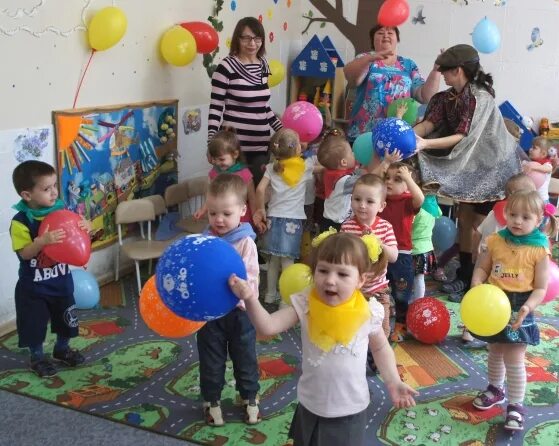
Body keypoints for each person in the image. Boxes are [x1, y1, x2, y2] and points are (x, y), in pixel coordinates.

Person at [228, 232, 418, 446]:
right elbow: (268, 326)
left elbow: (381, 348)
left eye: (342, 274)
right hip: (311, 405)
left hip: (350, 410)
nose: (330, 280)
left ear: (361, 279)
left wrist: (393, 382)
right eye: (323, 270)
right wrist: (250, 298)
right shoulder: (305, 304)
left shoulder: (369, 312)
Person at [415, 44, 522, 300]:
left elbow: (463, 136)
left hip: (494, 168)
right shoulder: (446, 98)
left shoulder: (479, 98)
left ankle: (475, 278)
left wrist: (425, 145)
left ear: (459, 70)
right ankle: (464, 274)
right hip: (470, 166)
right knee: (464, 221)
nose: (442, 75)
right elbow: (429, 124)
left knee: (477, 225)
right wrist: (407, 135)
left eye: (446, 70)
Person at [470, 190, 557, 432]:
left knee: (515, 357)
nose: (518, 221)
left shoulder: (540, 249)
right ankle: (495, 389)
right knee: (495, 349)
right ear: (505, 214)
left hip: (521, 306)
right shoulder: (496, 240)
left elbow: (540, 287)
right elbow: (482, 268)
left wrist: (529, 307)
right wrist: (477, 284)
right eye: (513, 214)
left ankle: (516, 406)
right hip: (493, 303)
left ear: (539, 219)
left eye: (526, 217)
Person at [10, 161, 89, 377]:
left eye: (55, 185)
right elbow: (24, 254)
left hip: (61, 282)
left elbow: (76, 237)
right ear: (27, 195)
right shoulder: (20, 222)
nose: (54, 192)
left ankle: (61, 350)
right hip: (33, 288)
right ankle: (37, 357)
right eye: (46, 189)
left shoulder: (61, 211)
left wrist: (85, 227)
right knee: (34, 326)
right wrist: (41, 241)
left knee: (67, 320)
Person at [197, 173, 261, 426]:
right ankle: (212, 401)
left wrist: (237, 286)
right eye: (213, 213)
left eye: (226, 213)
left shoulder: (246, 243)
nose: (219, 220)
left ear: (242, 210)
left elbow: (251, 281)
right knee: (211, 359)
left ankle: (249, 397)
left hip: (240, 313)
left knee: (245, 356)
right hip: (210, 314)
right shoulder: (204, 241)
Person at [459, 174, 537, 343]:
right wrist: (475, 252)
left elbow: (478, 233)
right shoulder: (500, 216)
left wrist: (475, 250)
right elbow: (479, 233)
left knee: (492, 302)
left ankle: (489, 331)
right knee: (480, 298)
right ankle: (473, 328)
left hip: (504, 273)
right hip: (493, 267)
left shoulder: (503, 216)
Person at [207, 16, 283, 184]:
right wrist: (211, 143)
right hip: (232, 148)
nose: (252, 43)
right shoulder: (225, 67)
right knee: (233, 198)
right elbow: (215, 108)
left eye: (257, 38)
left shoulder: (263, 65)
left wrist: (282, 131)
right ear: (237, 39)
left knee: (256, 194)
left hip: (261, 146)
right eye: (246, 38)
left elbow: (264, 107)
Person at [343, 24, 441, 142]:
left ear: (397, 39)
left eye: (390, 33)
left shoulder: (408, 64)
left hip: (397, 134)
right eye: (380, 33)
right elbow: (352, 79)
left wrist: (436, 70)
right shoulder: (365, 58)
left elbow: (424, 96)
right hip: (364, 134)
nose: (385, 35)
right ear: (372, 39)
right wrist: (371, 58)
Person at [253, 129, 317, 304]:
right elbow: (323, 167)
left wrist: (261, 209)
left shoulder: (270, 168)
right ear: (297, 149)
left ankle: (270, 294)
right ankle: (286, 299)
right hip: (292, 221)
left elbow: (259, 190)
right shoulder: (305, 167)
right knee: (288, 261)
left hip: (273, 218)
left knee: (274, 260)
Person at [341, 174, 398, 340]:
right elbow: (341, 256)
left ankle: (377, 361)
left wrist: (378, 242)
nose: (362, 205)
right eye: (357, 199)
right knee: (351, 329)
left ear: (381, 206)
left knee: (381, 330)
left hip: (378, 290)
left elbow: (394, 256)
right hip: (352, 289)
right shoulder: (347, 226)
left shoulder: (385, 227)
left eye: (370, 201)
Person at [317, 130, 399, 231]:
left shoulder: (334, 173)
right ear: (344, 162)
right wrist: (386, 162)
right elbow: (368, 177)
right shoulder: (344, 181)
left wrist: (374, 154)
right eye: (351, 153)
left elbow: (362, 172)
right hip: (335, 225)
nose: (354, 154)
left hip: (331, 221)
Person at [379, 162, 424, 342]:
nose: (389, 182)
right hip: (380, 252)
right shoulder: (380, 199)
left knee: (401, 293)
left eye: (397, 179)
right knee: (378, 290)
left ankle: (400, 324)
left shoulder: (407, 201)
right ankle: (380, 323)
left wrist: (408, 179)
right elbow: (370, 183)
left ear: (407, 185)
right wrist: (383, 165)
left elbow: (419, 198)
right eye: (387, 178)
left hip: (402, 254)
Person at [194, 129, 257, 224]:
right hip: (218, 220)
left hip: (241, 220)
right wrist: (203, 209)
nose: (218, 163)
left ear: (235, 154)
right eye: (214, 159)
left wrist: (256, 218)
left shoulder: (245, 174)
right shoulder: (214, 173)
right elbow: (210, 195)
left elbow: (252, 199)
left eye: (221, 159)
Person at [411, 195, 442, 301]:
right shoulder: (434, 208)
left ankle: (412, 301)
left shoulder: (418, 211)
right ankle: (419, 302)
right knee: (420, 279)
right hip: (427, 248)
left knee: (408, 279)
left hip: (414, 248)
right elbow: (439, 213)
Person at [522, 136, 553, 203]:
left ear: (543, 154)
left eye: (534, 148)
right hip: (530, 199)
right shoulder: (530, 162)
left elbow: (548, 169)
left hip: (542, 200)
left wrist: (533, 168)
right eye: (531, 147)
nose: (530, 149)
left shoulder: (546, 164)